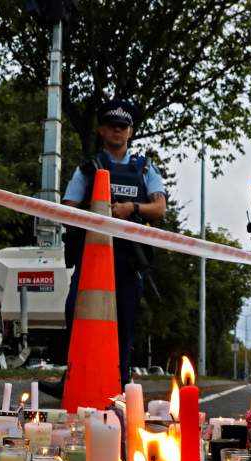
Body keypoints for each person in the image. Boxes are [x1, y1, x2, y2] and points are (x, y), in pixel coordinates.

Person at [62, 99, 167, 387]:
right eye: (112, 126)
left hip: (129, 261)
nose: (117, 131)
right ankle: (72, 377)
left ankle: (118, 385)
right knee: (75, 315)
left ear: (130, 131)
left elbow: (159, 209)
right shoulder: (88, 168)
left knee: (125, 324)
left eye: (123, 126)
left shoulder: (146, 169)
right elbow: (68, 208)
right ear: (101, 130)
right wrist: (98, 213)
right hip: (93, 259)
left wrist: (130, 209)